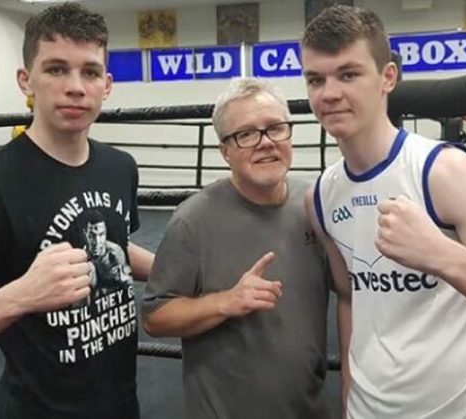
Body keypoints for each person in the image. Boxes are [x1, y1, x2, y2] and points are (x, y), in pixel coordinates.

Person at [300, 5, 466, 418]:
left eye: (348, 74)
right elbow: (351, 297)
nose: (329, 93)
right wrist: (350, 397)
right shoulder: (320, 196)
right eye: (316, 79)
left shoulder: (447, 175)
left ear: (387, 78)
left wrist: (439, 254)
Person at [0, 4, 154, 418]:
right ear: (25, 80)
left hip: (120, 403)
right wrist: (22, 295)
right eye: (55, 69)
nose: (75, 87)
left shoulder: (119, 167)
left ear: (107, 84)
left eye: (89, 72)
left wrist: (183, 270)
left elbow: (117, 243)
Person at [141, 78, 332, 419]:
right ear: (225, 151)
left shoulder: (315, 206)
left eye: (275, 128)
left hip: (307, 409)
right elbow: (155, 318)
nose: (265, 143)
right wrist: (225, 302)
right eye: (245, 134)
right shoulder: (193, 220)